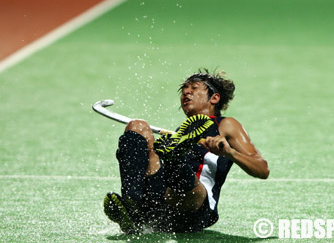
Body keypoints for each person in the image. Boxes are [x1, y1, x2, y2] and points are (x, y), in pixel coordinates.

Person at [104, 68, 269, 233]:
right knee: (137, 126)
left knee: (175, 159)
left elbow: (262, 169)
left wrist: (229, 153)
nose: (186, 93)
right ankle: (132, 203)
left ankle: (171, 164)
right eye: (183, 90)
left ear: (214, 98)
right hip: (164, 206)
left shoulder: (226, 124)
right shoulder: (180, 131)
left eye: (194, 88)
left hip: (196, 209)